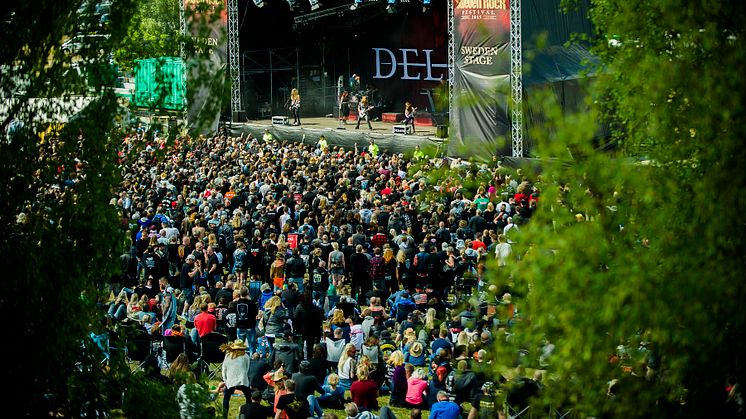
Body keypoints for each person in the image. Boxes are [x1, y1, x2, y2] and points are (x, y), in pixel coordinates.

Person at [220, 339, 252, 418]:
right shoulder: (246, 356)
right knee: (248, 398)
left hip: (230, 381)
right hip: (243, 381)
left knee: (226, 398)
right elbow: (247, 369)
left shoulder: (228, 356)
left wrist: (225, 380)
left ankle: (224, 416)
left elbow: (224, 369)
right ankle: (249, 414)